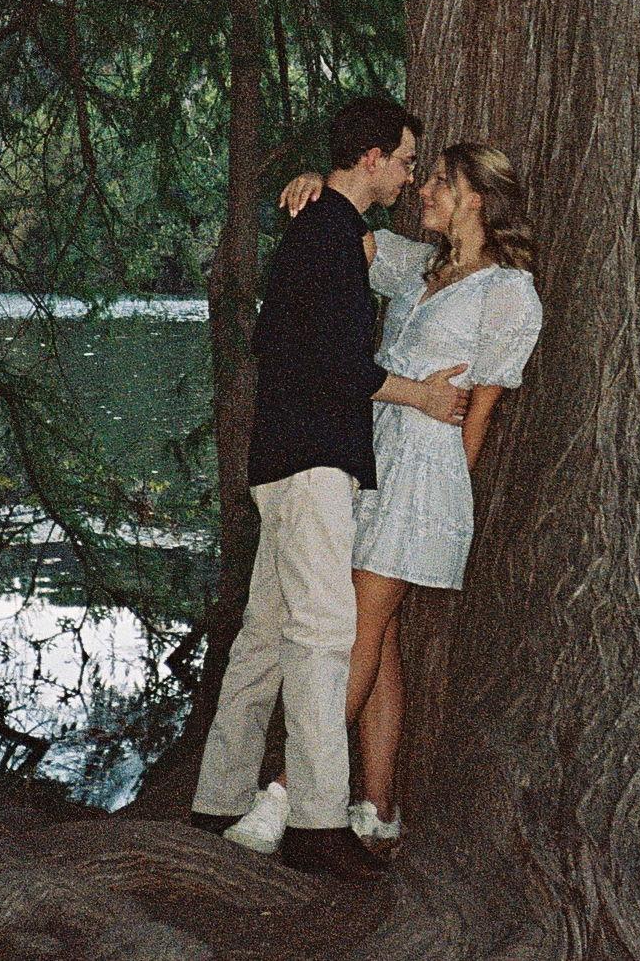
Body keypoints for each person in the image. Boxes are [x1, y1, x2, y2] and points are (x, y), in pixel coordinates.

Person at [227, 141, 542, 854]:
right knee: (381, 635)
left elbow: (481, 409)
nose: (422, 190)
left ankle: (284, 796)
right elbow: (348, 226)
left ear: (475, 199)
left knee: (355, 632)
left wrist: (444, 503)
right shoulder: (415, 267)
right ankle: (378, 807)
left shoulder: (508, 293)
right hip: (370, 455)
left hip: (424, 477)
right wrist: (317, 180)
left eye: (440, 182)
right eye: (422, 176)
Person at [189, 96, 471, 883]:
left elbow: (289, 342)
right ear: (372, 157)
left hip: (283, 459)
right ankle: (316, 823)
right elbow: (329, 360)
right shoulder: (328, 235)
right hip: (312, 461)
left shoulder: (324, 229)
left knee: (263, 635)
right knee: (322, 638)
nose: (409, 177)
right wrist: (420, 396)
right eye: (405, 161)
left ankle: (216, 799)